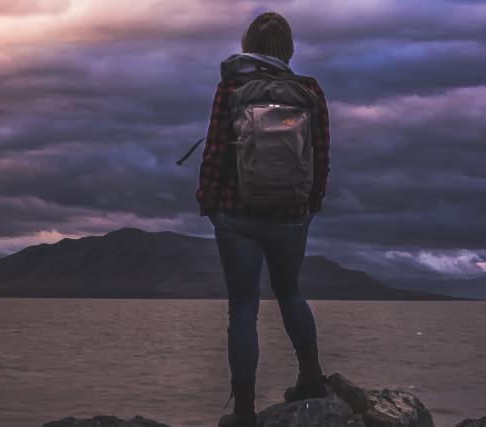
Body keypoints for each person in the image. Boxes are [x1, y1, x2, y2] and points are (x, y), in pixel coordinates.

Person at [195, 11, 332, 427]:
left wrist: (208, 201)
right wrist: (311, 203)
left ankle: (243, 413)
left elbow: (216, 149)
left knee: (242, 308)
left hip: (237, 214)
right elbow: (321, 153)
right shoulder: (308, 90)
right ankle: (311, 378)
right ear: (287, 48)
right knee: (290, 292)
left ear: (248, 45)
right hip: (291, 212)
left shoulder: (231, 87)